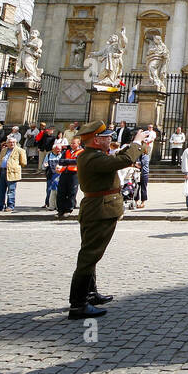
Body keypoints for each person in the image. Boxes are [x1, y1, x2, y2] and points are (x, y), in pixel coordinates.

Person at [67, 121, 148, 320]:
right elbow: (123, 160)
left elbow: (120, 157)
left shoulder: (94, 155)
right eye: (106, 137)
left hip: (100, 208)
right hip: (99, 210)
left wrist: (134, 145)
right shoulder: (91, 158)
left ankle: (90, 294)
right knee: (89, 256)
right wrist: (136, 143)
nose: (110, 139)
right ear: (96, 140)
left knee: (93, 253)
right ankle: (78, 305)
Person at [0, 136, 27, 211]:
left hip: (12, 172)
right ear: (7, 143)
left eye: (13, 142)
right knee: (1, 191)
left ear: (16, 143)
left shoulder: (20, 150)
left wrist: (14, 165)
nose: (11, 143)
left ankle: (10, 206)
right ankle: (0, 206)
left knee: (11, 190)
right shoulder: (4, 150)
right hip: (1, 171)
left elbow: (23, 163)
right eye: (10, 142)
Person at [56, 137, 81, 218]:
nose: (72, 145)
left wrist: (66, 161)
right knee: (61, 192)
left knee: (72, 192)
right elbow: (60, 161)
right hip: (64, 173)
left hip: (74, 174)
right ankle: (60, 210)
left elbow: (78, 162)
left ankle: (68, 209)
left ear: (78, 143)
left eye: (74, 143)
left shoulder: (81, 152)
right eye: (71, 143)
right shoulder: (66, 151)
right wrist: (70, 161)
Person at [43, 143, 63, 209]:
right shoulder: (48, 155)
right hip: (51, 175)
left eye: (60, 149)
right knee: (49, 190)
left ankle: (57, 205)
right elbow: (43, 165)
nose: (59, 151)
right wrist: (45, 165)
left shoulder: (62, 155)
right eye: (57, 149)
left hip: (60, 175)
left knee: (58, 191)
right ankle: (48, 203)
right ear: (53, 149)